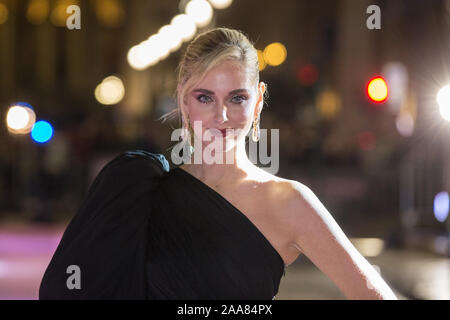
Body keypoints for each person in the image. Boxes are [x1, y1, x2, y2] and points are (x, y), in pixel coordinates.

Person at [39, 27, 397, 300]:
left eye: (237, 98)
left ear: (257, 104)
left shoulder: (288, 202)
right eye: (205, 97)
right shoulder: (137, 190)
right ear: (183, 99)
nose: (221, 115)